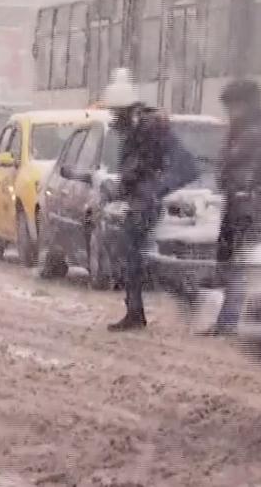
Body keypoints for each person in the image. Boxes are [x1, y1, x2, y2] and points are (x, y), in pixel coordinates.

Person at [101, 67, 199, 332]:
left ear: (127, 110)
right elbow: (133, 170)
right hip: (141, 200)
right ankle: (139, 309)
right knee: (133, 255)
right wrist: (121, 187)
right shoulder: (137, 130)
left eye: (116, 113)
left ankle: (182, 294)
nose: (114, 119)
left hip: (148, 202)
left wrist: (155, 189)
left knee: (138, 256)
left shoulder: (152, 129)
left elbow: (184, 166)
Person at [216, 80, 261, 264]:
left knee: (246, 248)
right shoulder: (239, 129)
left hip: (253, 201)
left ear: (249, 104)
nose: (230, 111)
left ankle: (234, 278)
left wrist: (248, 188)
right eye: (229, 106)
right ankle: (228, 277)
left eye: (234, 105)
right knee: (231, 246)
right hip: (238, 200)